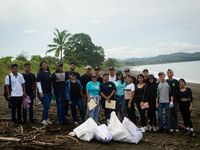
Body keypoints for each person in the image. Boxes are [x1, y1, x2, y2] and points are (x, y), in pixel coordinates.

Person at [37, 61, 52, 126]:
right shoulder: (40, 73)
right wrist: (40, 92)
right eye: (43, 64)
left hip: (49, 92)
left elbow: (51, 83)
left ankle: (46, 118)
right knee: (46, 105)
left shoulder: (49, 73)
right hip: (43, 93)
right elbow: (38, 83)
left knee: (47, 106)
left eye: (46, 64)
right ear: (41, 66)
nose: (45, 65)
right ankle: (43, 120)